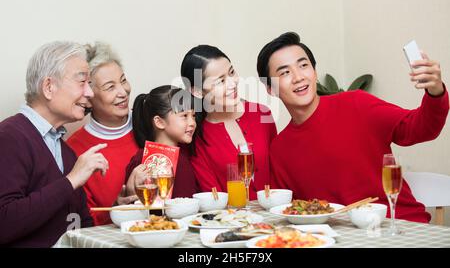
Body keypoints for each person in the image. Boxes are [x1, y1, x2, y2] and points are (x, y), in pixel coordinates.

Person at [257, 32, 449, 223]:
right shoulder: (280, 149)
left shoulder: (356, 103)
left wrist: (435, 91)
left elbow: (421, 128)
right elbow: (289, 212)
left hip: (399, 226)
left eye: (303, 65)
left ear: (314, 72)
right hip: (341, 239)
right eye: (285, 72)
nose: (298, 77)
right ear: (270, 88)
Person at [0, 41, 109, 247]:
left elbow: (78, 226)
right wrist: (71, 180)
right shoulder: (9, 137)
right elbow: (4, 222)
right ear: (49, 87)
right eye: (82, 82)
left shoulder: (66, 152)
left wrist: (117, 208)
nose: (90, 93)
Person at [180, 45, 277, 200]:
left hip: (276, 217)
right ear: (197, 91)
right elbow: (212, 197)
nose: (233, 83)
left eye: (231, 72)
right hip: (231, 220)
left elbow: (278, 173)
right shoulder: (196, 137)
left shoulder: (261, 113)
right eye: (221, 81)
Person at [66, 42, 139, 226]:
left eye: (123, 80)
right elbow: (83, 222)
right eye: (110, 87)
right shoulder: (74, 149)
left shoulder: (152, 123)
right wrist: (116, 210)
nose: (123, 92)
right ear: (88, 97)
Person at [125, 85, 199, 198]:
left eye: (193, 116)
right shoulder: (142, 161)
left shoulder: (185, 156)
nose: (192, 122)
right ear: (159, 122)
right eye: (184, 115)